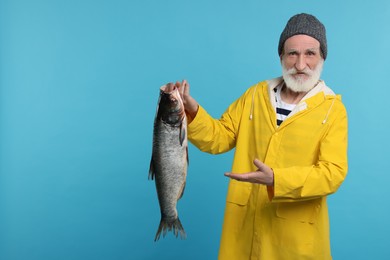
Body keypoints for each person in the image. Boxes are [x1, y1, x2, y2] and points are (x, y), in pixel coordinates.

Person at [176, 13, 348, 259]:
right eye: (292, 54)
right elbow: (219, 137)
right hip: (245, 227)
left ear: (322, 57)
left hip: (295, 240)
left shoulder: (332, 109)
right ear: (281, 56)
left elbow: (333, 173)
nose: (300, 64)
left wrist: (277, 179)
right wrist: (192, 112)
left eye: (310, 53)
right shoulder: (256, 95)